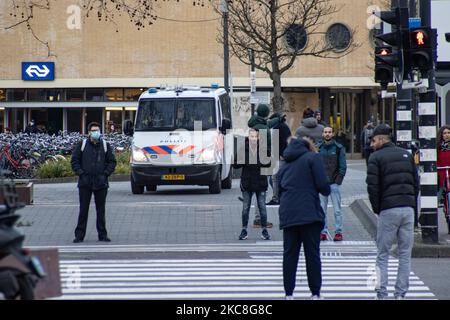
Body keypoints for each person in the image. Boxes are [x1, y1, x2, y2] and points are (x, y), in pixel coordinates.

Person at [366, 124, 419, 300]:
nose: (372, 144)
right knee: (405, 254)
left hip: (388, 209)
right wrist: (411, 205)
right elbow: (415, 183)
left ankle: (382, 293)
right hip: (408, 209)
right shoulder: (407, 155)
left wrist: (377, 209)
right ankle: (400, 294)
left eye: (373, 140)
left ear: (381, 139)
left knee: (383, 254)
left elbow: (373, 188)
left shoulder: (375, 158)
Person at [278, 136, 330, 300]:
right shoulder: (313, 158)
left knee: (289, 254)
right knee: (312, 254)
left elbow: (278, 187)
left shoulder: (285, 164)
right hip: (309, 214)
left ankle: (289, 294)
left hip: (288, 213)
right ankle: (315, 293)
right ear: (309, 146)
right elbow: (323, 186)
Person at [71, 122, 117, 243]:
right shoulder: (82, 144)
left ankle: (102, 235)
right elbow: (74, 160)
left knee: (101, 210)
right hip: (85, 183)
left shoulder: (105, 145)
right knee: (83, 210)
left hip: (101, 183)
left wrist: (105, 174)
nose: (96, 132)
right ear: (89, 132)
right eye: (93, 130)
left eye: (97, 130)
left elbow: (112, 161)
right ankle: (79, 235)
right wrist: (81, 173)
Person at [234, 128, 271, 241]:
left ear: (259, 137)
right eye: (251, 137)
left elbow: (269, 163)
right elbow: (235, 164)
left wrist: (258, 161)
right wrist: (245, 160)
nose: (254, 139)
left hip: (260, 182)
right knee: (245, 208)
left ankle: (264, 230)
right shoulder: (243, 148)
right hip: (247, 182)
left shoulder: (263, 149)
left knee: (262, 208)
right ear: (248, 137)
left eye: (255, 137)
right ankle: (244, 230)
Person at [317, 126, 347, 241]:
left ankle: (338, 232)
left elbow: (342, 166)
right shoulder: (319, 148)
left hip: (334, 184)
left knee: (337, 210)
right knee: (322, 210)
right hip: (322, 184)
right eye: (325, 132)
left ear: (332, 134)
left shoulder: (339, 148)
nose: (327, 134)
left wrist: (338, 181)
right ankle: (322, 232)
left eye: (329, 132)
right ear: (323, 134)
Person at [247, 103, 274, 227]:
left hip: (253, 160)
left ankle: (256, 217)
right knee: (261, 190)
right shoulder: (263, 129)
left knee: (255, 188)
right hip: (263, 161)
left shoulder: (255, 124)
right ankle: (259, 219)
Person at [266, 112, 291, 206]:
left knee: (275, 178)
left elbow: (282, 143)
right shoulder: (283, 126)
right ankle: (279, 197)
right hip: (280, 156)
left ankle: (277, 198)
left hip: (279, 157)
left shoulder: (278, 127)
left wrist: (281, 154)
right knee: (275, 179)